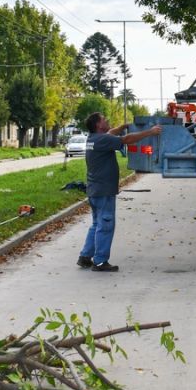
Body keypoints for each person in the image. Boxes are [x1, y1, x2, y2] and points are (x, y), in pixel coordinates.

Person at [76, 112, 163, 273]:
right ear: (98, 125)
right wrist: (150, 132)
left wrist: (121, 127)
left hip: (94, 190)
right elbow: (126, 139)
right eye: (104, 119)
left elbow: (110, 134)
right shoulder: (102, 140)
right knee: (106, 225)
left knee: (96, 224)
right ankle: (100, 262)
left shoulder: (94, 139)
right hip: (104, 191)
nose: (107, 120)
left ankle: (85, 256)